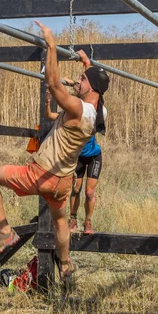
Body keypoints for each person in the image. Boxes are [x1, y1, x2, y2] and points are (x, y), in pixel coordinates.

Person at [0, 20, 109, 285]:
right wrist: (87, 65)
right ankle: (66, 268)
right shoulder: (100, 113)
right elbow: (95, 85)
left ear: (90, 87)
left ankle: (4, 230)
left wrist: (51, 44)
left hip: (41, 174)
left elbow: (52, 82)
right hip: (63, 182)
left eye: (82, 80)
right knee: (61, 223)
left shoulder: (76, 109)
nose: (77, 82)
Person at [45, 76, 107, 236]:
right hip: (79, 156)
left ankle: (88, 220)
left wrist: (74, 83)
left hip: (94, 156)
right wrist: (47, 102)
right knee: (76, 188)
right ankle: (73, 218)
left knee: (89, 192)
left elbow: (90, 89)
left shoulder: (90, 110)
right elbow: (52, 115)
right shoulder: (71, 112)